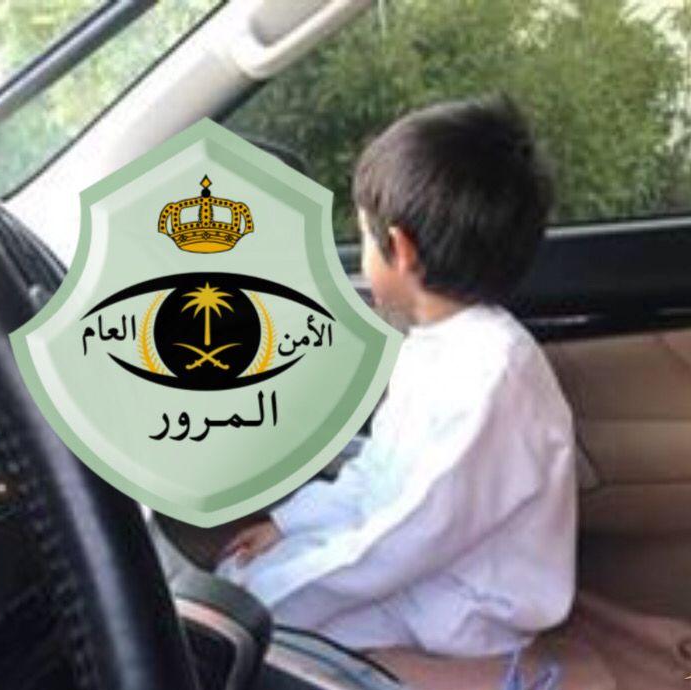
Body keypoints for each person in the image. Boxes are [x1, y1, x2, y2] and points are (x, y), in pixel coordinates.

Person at [218, 96, 576, 658]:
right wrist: (290, 526)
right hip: (424, 570)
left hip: (465, 611)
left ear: (401, 249)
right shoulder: (442, 344)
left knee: (259, 626)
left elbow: (403, 541)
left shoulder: (489, 380)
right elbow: (378, 475)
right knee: (244, 577)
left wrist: (263, 600)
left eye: (363, 235)